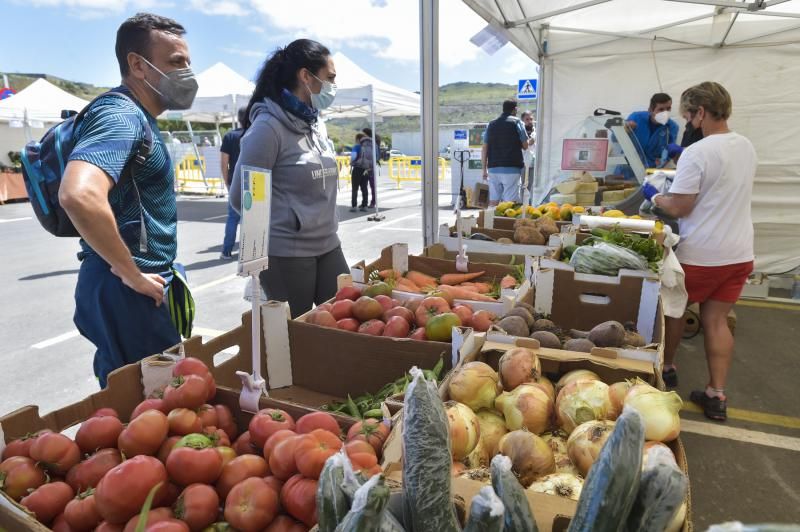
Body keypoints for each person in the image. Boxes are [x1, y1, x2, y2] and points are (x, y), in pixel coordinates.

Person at [58, 13, 197, 387]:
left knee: (146, 402)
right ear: (137, 64)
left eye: (187, 62)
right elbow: (79, 194)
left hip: (131, 284)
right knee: (147, 407)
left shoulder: (139, 117)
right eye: (175, 62)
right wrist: (131, 273)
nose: (187, 73)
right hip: (128, 289)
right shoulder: (121, 115)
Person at [641, 82, 756, 421]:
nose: (689, 124)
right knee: (716, 320)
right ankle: (716, 394)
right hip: (738, 253)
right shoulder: (746, 146)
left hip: (701, 253)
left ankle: (668, 370)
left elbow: (680, 207)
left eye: (689, 116)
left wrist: (654, 195)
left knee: (674, 311)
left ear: (701, 112)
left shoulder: (699, 152)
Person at [229, 39, 347, 318]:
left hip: (329, 243)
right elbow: (241, 198)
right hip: (288, 253)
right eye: (330, 78)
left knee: (345, 320)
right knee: (295, 337)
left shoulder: (316, 124)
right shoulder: (267, 128)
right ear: (306, 76)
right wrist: (285, 223)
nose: (333, 85)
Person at [481, 99, 530, 206]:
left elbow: (484, 148)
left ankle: (492, 221)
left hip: (493, 169)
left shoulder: (491, 124)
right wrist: (532, 140)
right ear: (515, 109)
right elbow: (525, 146)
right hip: (512, 168)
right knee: (510, 204)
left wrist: (484, 170)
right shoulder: (517, 122)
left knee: (493, 201)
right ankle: (507, 223)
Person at [219, 107, 246, 259]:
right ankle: (248, 251)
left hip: (234, 182)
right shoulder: (254, 134)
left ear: (238, 119)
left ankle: (227, 251)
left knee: (232, 218)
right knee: (250, 219)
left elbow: (224, 163)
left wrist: (226, 182)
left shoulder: (229, 136)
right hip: (253, 181)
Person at [626, 93, 680, 168]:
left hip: (651, 171)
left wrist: (660, 165)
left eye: (668, 109)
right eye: (661, 109)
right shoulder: (636, 118)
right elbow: (615, 139)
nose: (665, 113)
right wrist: (626, 129)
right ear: (650, 110)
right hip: (628, 168)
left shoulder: (672, 127)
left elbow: (669, 152)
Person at [360, 127, 379, 208]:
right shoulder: (363, 143)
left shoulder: (372, 143)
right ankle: (367, 202)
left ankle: (372, 202)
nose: (362, 135)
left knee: (370, 185)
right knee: (365, 185)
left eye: (363, 134)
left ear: (366, 134)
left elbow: (376, 155)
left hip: (369, 167)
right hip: (367, 167)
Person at [349, 132, 368, 212]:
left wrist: (351, 162)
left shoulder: (356, 147)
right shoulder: (367, 148)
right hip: (366, 170)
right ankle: (364, 205)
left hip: (357, 169)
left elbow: (353, 157)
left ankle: (354, 206)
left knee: (355, 188)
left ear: (357, 139)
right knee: (364, 188)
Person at [521, 110, 536, 193]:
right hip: (523, 162)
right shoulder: (520, 131)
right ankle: (523, 204)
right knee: (523, 185)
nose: (530, 121)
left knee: (531, 185)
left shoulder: (536, 131)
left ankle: (530, 204)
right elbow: (528, 144)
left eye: (531, 119)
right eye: (527, 119)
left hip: (533, 162)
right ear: (522, 120)